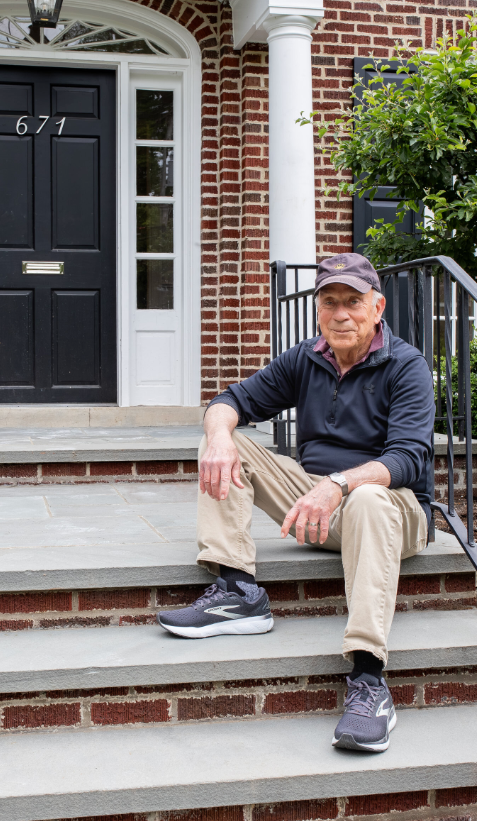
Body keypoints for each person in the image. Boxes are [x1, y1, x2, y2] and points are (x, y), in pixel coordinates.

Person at [157, 253, 435, 753]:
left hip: (393, 511)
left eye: (353, 302)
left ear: (378, 308)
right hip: (320, 508)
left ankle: (369, 679)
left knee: (369, 496)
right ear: (318, 310)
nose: (341, 313)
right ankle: (238, 590)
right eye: (330, 302)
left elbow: (409, 458)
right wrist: (220, 435)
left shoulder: (406, 366)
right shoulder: (306, 358)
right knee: (223, 437)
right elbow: (230, 399)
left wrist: (338, 484)